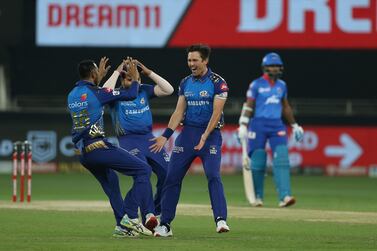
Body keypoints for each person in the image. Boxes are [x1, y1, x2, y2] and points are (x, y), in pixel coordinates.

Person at [67, 58, 158, 237]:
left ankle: (122, 227)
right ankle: (130, 216)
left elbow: (95, 94)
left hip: (83, 153)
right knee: (144, 170)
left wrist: (102, 78)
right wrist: (134, 78)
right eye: (97, 72)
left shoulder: (72, 94)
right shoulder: (97, 92)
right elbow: (131, 94)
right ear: (93, 74)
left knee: (112, 184)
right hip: (98, 147)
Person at [150, 44, 230, 237]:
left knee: (213, 175)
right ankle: (166, 225)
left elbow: (216, 113)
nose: (191, 64)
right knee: (171, 178)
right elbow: (179, 112)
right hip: (187, 136)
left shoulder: (218, 83)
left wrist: (204, 137)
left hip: (210, 136)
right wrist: (166, 135)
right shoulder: (185, 82)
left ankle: (220, 219)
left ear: (205, 61)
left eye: (195, 60)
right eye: (189, 60)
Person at [104, 57, 173, 223]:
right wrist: (116, 71)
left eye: (137, 79)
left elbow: (169, 89)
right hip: (128, 141)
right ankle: (147, 214)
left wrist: (148, 72)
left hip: (149, 140)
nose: (134, 82)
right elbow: (105, 91)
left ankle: (155, 211)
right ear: (122, 79)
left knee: (167, 174)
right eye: (129, 79)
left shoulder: (143, 90)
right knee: (143, 174)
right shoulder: (116, 95)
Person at [237, 52, 304, 208]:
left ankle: (285, 196)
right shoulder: (256, 85)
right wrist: (242, 124)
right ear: (265, 67)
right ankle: (258, 197)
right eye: (271, 66)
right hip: (258, 125)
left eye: (276, 66)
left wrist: (294, 125)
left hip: (276, 125)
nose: (274, 69)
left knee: (282, 159)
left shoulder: (282, 85)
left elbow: (285, 106)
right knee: (259, 161)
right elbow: (249, 105)